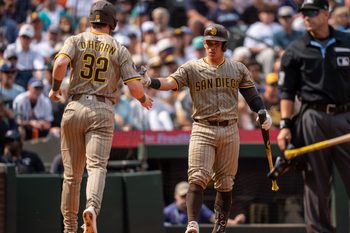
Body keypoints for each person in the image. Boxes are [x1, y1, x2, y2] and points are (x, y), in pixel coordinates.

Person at [141, 23, 272, 233]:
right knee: (197, 176)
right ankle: (192, 224)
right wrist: (150, 82)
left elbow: (251, 95)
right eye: (208, 43)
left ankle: (219, 227)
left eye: (216, 44)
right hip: (203, 128)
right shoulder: (192, 67)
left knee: (226, 182)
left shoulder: (237, 68)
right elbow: (170, 82)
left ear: (224, 45)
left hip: (230, 128)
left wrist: (262, 111)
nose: (211, 47)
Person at [48, 1, 153, 233]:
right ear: (112, 23)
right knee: (96, 167)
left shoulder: (75, 40)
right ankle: (92, 209)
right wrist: (143, 99)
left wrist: (55, 88)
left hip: (74, 106)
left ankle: (69, 228)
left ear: (91, 20)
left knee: (71, 176)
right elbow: (135, 88)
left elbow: (61, 63)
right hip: (102, 109)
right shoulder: (118, 48)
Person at [277, 0, 350, 232]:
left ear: (326, 13)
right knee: (315, 181)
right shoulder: (295, 49)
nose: (306, 17)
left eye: (311, 12)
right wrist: (285, 125)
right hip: (312, 118)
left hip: (346, 116)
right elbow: (286, 92)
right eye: (303, 13)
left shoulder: (347, 42)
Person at [164, 181, 246, 226]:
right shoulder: (167, 211)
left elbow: (214, 218)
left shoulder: (199, 207)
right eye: (183, 196)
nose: (185, 199)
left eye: (187, 196)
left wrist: (234, 222)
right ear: (175, 195)